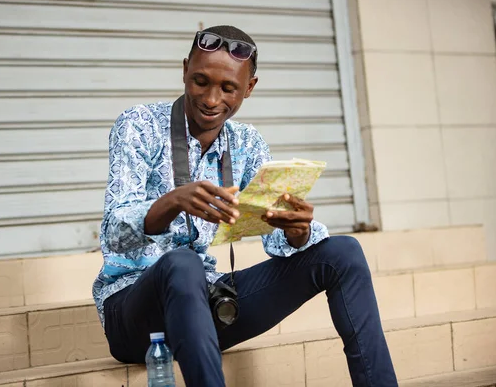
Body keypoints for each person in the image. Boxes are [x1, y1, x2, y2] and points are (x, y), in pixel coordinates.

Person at [93, 25, 397, 387]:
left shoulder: (248, 143)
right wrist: (173, 201)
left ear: (249, 88)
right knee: (183, 263)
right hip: (132, 316)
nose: (210, 98)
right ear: (185, 69)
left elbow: (277, 244)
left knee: (343, 252)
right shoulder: (139, 125)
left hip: (208, 307)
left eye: (228, 88)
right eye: (200, 81)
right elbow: (114, 233)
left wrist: (298, 232)